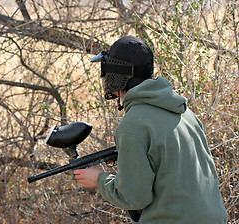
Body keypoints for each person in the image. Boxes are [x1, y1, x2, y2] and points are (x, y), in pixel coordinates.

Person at [73, 36, 228, 223]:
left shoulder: (132, 125)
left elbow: (134, 197)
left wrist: (99, 179)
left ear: (115, 75)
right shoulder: (184, 111)